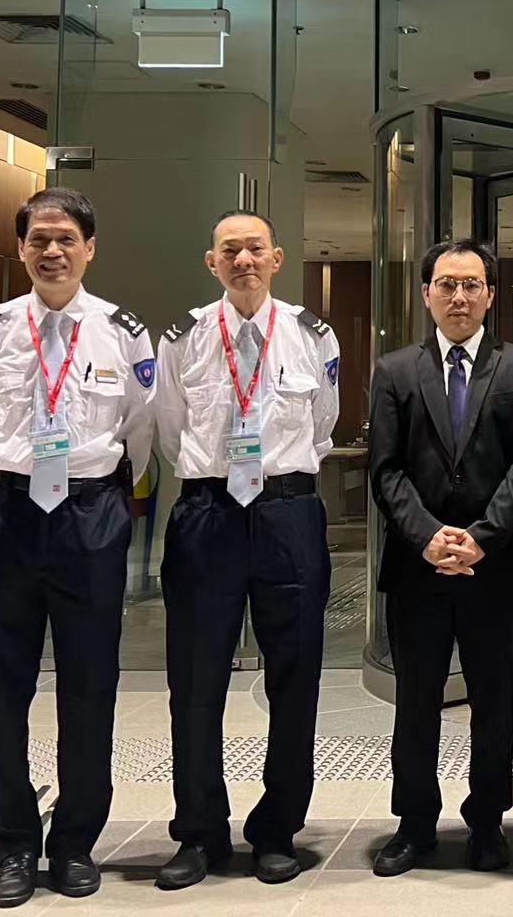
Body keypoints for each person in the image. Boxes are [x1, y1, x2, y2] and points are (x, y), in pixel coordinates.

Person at [0, 187, 155, 909]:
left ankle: (74, 843)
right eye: (39, 238)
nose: (52, 251)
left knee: (90, 685)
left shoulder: (124, 333)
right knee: (0, 688)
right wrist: (12, 487)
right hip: (8, 513)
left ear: (90, 248)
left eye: (66, 238)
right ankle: (12, 844)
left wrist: (98, 499)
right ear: (21, 249)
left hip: (88, 515)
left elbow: (140, 431)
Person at [152, 210, 340, 889]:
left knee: (295, 677)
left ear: (276, 258)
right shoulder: (183, 339)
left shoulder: (313, 335)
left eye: (254, 249)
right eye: (229, 251)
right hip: (207, 513)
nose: (243, 261)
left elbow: (323, 423)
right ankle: (198, 830)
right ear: (212, 262)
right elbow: (169, 430)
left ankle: (277, 830)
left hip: (288, 512)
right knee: (194, 681)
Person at [368, 240, 513, 876]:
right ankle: (414, 825)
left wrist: (481, 537)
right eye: (446, 284)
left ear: (490, 295)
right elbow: (386, 468)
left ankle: (488, 822)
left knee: (493, 699)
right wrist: (427, 536)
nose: (459, 297)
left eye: (472, 285)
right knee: (416, 700)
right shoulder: (394, 371)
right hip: (416, 567)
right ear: (426, 294)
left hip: (495, 565)